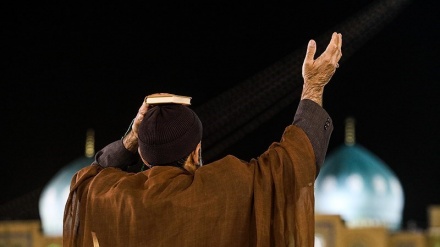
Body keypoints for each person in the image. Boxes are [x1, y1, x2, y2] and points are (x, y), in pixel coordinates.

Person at [63, 32, 342, 247]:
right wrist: (313, 86)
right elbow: (294, 161)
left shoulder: (114, 197)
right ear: (196, 152)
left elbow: (87, 179)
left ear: (144, 157)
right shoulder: (226, 189)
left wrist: (132, 138)